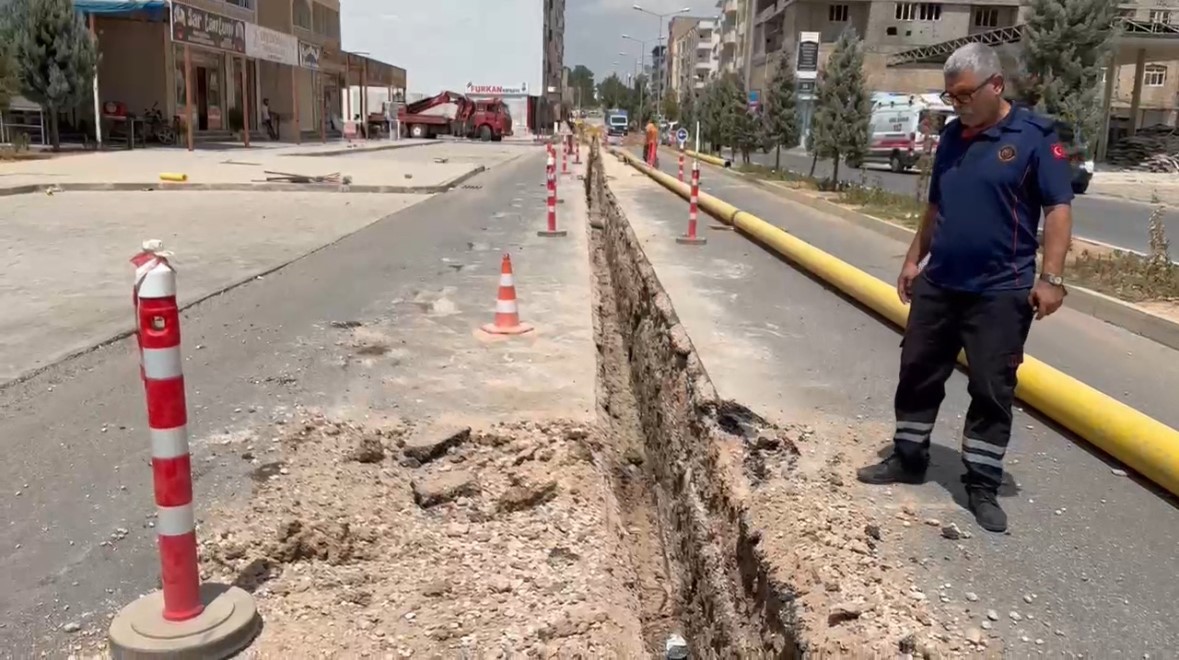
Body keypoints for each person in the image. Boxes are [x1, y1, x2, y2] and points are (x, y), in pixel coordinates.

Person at [855, 42, 1074, 534]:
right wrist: (914, 260)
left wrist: (1052, 278)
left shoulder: (1036, 137)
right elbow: (936, 206)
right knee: (917, 369)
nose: (956, 105)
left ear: (995, 85)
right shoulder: (954, 136)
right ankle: (908, 457)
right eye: (950, 97)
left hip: (1001, 289)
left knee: (992, 388)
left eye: (964, 95)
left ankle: (981, 484)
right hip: (940, 282)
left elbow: (1058, 208)